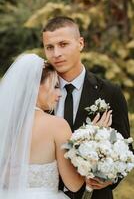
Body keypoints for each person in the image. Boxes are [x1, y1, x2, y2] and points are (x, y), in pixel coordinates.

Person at [42, 16, 131, 199]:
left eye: (63, 44)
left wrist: (110, 179)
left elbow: (126, 148)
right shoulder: (37, 94)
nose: (56, 53)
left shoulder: (110, 92)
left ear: (80, 43)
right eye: (49, 47)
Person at [0, 53, 85, 199]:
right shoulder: (57, 126)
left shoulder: (5, 124)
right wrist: (90, 142)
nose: (60, 94)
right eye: (56, 86)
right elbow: (74, 185)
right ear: (35, 86)